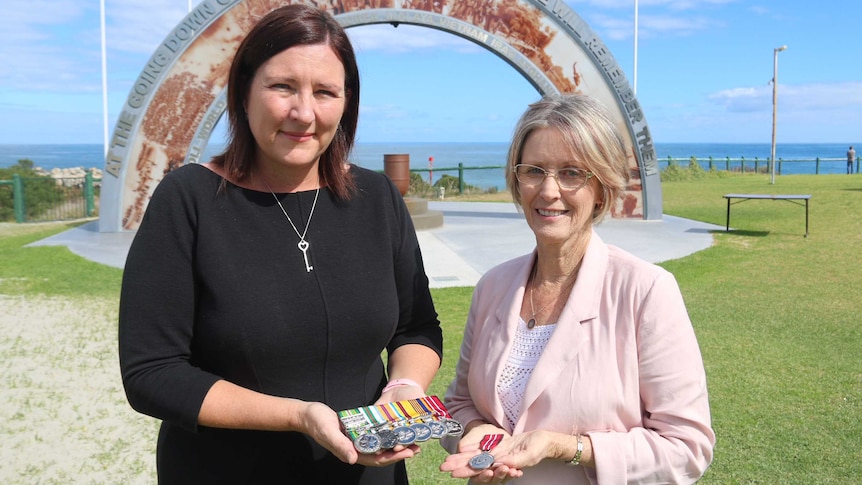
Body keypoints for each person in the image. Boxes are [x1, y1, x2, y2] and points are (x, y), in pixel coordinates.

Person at [118, 5, 443, 484]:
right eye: (282, 87)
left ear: (347, 103)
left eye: (325, 92)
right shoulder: (189, 200)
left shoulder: (376, 198)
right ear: (244, 93)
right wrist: (298, 416)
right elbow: (152, 373)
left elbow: (417, 327)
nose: (304, 112)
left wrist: (405, 386)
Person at [440, 94, 715, 484]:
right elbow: (459, 404)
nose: (549, 191)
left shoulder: (646, 290)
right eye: (534, 170)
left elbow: (687, 449)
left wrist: (567, 446)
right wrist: (473, 433)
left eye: (572, 173)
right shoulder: (493, 287)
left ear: (601, 188)